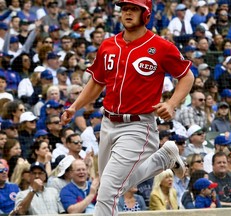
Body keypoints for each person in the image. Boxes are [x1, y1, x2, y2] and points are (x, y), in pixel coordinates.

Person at [60, 0, 194, 216]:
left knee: (108, 190)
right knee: (111, 184)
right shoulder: (108, 45)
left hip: (138, 125)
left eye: (134, 9)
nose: (128, 13)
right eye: (125, 9)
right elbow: (97, 82)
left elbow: (187, 76)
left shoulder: (160, 46)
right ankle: (163, 158)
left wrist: (171, 103)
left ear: (146, 14)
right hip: (108, 122)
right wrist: (74, 106)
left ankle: (162, 158)